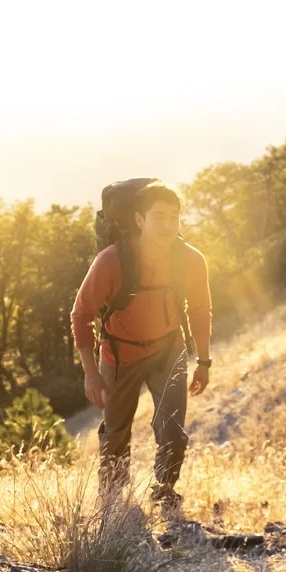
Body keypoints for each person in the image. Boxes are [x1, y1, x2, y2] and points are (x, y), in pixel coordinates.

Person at [70, 181, 212, 507]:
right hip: (120, 356)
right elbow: (81, 315)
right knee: (116, 433)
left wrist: (204, 362)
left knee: (173, 430)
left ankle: (164, 491)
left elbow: (202, 310)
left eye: (174, 216)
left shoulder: (190, 260)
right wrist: (91, 373)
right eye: (159, 216)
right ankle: (113, 499)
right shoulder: (111, 261)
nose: (168, 225)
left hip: (168, 351)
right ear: (139, 220)